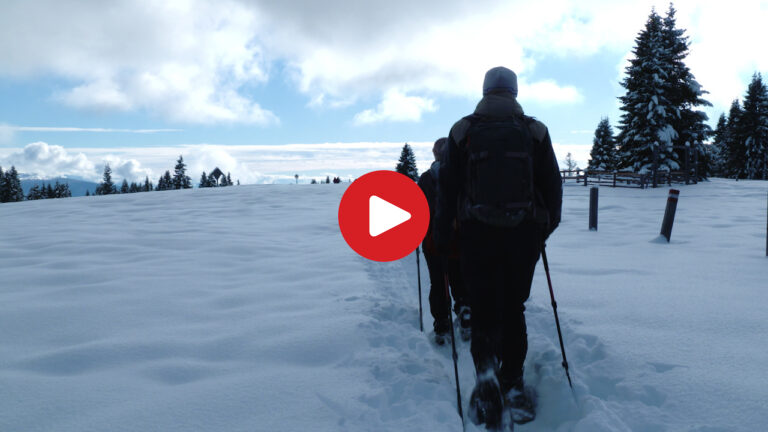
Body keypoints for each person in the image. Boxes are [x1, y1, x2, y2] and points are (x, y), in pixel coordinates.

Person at [434, 66, 562, 429]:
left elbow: (448, 189)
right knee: (514, 308)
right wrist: (542, 231)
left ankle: (486, 380)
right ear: (514, 92)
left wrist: (444, 235)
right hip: (522, 237)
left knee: (484, 309)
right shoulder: (535, 131)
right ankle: (513, 382)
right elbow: (553, 188)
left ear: (486, 90)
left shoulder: (463, 130)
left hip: (477, 236)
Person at [418, 138, 470, 345]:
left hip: (433, 240)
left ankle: (441, 326)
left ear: (435, 154)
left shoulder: (426, 178)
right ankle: (466, 316)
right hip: (461, 239)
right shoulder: (465, 175)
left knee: (438, 282)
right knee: (461, 280)